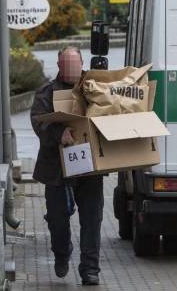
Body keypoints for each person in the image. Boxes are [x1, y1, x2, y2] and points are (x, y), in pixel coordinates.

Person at [30, 46, 104, 286]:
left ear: (82, 64)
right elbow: (38, 122)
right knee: (57, 220)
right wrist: (58, 133)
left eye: (76, 64)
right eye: (67, 64)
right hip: (56, 170)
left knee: (92, 220)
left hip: (90, 168)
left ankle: (90, 269)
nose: (72, 69)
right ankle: (62, 253)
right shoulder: (46, 93)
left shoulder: (96, 89)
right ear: (60, 66)